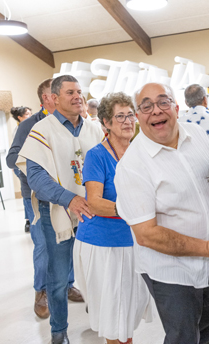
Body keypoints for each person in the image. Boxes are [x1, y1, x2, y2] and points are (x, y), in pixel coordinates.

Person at [114, 82, 209, 344]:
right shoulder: (132, 166)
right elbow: (147, 235)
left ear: (176, 107)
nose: (156, 110)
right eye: (146, 105)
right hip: (170, 269)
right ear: (138, 115)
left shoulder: (196, 134)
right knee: (183, 333)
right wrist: (207, 247)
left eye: (163, 102)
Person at [17, 75, 104, 344]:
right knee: (57, 279)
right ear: (54, 98)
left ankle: (102, 317)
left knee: (97, 270)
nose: (78, 96)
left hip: (94, 212)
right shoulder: (42, 130)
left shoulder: (94, 129)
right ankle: (58, 332)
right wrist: (70, 199)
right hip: (58, 211)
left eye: (79, 91)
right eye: (70, 92)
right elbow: (37, 178)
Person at [73, 92, 153, 344]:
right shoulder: (97, 155)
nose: (128, 121)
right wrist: (133, 208)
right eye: (120, 116)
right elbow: (95, 202)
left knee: (129, 310)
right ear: (106, 122)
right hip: (103, 243)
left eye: (130, 115)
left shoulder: (141, 150)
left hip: (134, 240)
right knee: (114, 316)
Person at [6, 78, 84, 320]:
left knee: (69, 242)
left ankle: (68, 283)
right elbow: (11, 159)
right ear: (48, 98)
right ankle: (41, 291)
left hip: (72, 194)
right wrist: (33, 167)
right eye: (59, 93)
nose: (71, 97)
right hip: (39, 196)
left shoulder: (77, 124)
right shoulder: (30, 125)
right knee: (43, 246)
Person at [10, 106, 33, 231]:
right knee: (27, 193)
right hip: (21, 165)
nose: (30, 116)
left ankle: (29, 220)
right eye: (27, 114)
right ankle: (29, 220)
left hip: (24, 164)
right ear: (20, 117)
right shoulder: (20, 129)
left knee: (27, 193)